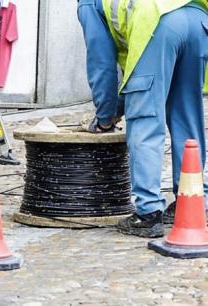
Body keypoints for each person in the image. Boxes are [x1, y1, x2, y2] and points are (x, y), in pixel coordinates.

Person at [78, 0, 208, 237]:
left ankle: (147, 213)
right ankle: (191, 201)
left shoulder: (87, 3)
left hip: (158, 24)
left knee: (145, 119)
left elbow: (102, 63)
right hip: (198, 20)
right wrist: (116, 107)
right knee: (187, 117)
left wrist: (105, 118)